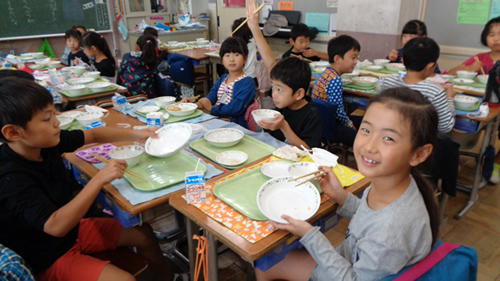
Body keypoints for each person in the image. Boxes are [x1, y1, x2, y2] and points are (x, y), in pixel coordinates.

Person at [257, 87, 440, 281]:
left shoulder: (392, 229)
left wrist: (309, 234)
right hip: (349, 260)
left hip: (348, 274)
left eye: (388, 138)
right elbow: (370, 218)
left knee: (265, 266)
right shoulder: (392, 184)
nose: (369, 146)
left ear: (418, 154)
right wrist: (340, 196)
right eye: (366, 130)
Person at [0, 78, 174, 281]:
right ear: (13, 132)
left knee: (143, 234)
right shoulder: (9, 176)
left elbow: (93, 135)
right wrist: (98, 179)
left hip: (71, 233)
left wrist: (138, 134)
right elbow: (55, 226)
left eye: (53, 113)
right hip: (45, 256)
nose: (57, 122)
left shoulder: (45, 143)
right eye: (47, 119)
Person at [246, 0, 322, 149]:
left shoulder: (311, 116)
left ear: (299, 94)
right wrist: (254, 27)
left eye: (279, 89)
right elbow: (270, 64)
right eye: (273, 87)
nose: (274, 94)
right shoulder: (284, 103)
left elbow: (309, 151)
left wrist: (284, 127)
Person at [381, 37, 456, 133]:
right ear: (431, 66)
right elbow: (445, 127)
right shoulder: (435, 91)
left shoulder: (389, 81)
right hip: (417, 141)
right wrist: (450, 98)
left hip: (391, 134)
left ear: (403, 61)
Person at [183, 37, 256, 129]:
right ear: (222, 59)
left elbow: (235, 109)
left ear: (245, 58)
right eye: (227, 55)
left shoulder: (247, 82)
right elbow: (210, 98)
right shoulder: (223, 78)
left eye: (236, 55)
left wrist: (211, 109)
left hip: (233, 127)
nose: (231, 59)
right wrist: (192, 105)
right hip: (217, 121)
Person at [311, 35, 360, 146]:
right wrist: (350, 125)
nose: (356, 61)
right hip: (329, 126)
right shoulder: (336, 80)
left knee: (361, 121)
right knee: (361, 136)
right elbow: (338, 112)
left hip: (319, 123)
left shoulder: (326, 73)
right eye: (353, 58)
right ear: (337, 59)